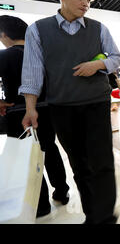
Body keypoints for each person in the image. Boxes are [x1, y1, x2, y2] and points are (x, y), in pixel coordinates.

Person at [19, 0, 120, 224]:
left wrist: (97, 64)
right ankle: (92, 214)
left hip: (97, 103)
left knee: (102, 162)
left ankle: (104, 217)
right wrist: (30, 109)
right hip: (61, 107)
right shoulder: (38, 30)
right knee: (79, 165)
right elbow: (32, 73)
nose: (86, 3)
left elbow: (116, 58)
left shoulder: (99, 28)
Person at [0, 15, 70, 219]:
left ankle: (40, 205)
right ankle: (61, 190)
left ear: (4, 35)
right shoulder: (43, 53)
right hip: (48, 110)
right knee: (49, 148)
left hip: (20, 114)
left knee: (28, 156)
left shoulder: (6, 56)